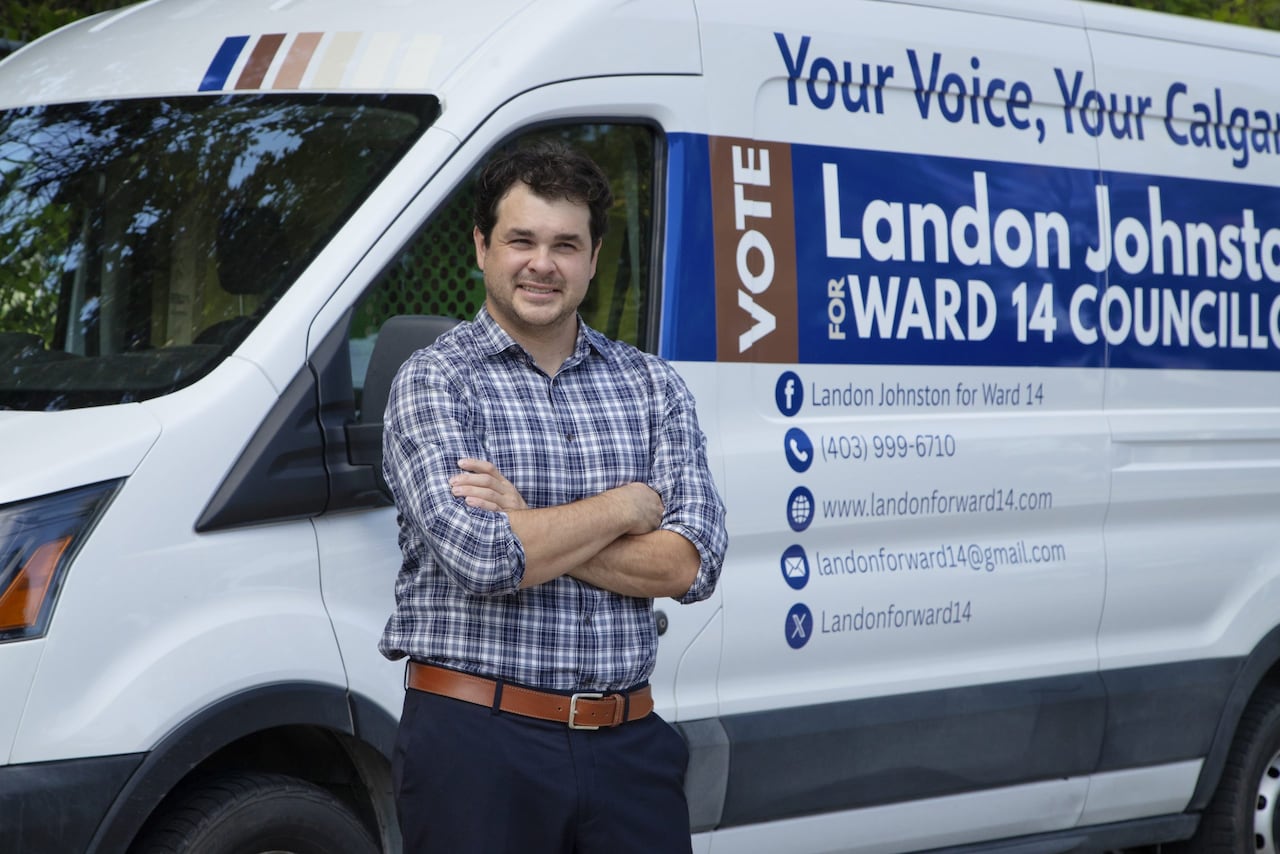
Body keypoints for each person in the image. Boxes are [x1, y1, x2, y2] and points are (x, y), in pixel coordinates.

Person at [379, 138, 728, 853]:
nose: (543, 263)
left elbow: (686, 565)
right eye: (522, 240)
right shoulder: (435, 382)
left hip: (630, 750)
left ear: (594, 258)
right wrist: (627, 507)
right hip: (477, 751)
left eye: (567, 244)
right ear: (481, 247)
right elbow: (479, 557)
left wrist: (527, 524)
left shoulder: (651, 386)